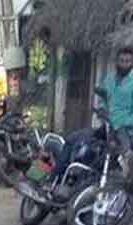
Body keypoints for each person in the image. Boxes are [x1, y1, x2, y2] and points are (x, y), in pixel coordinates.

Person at [49, 47, 133, 182]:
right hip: (106, 129)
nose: (124, 64)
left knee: (119, 160)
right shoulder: (110, 80)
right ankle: (55, 179)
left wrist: (122, 122)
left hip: (126, 133)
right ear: (117, 61)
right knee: (73, 140)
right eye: (122, 60)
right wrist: (101, 109)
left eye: (128, 61)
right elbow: (101, 98)